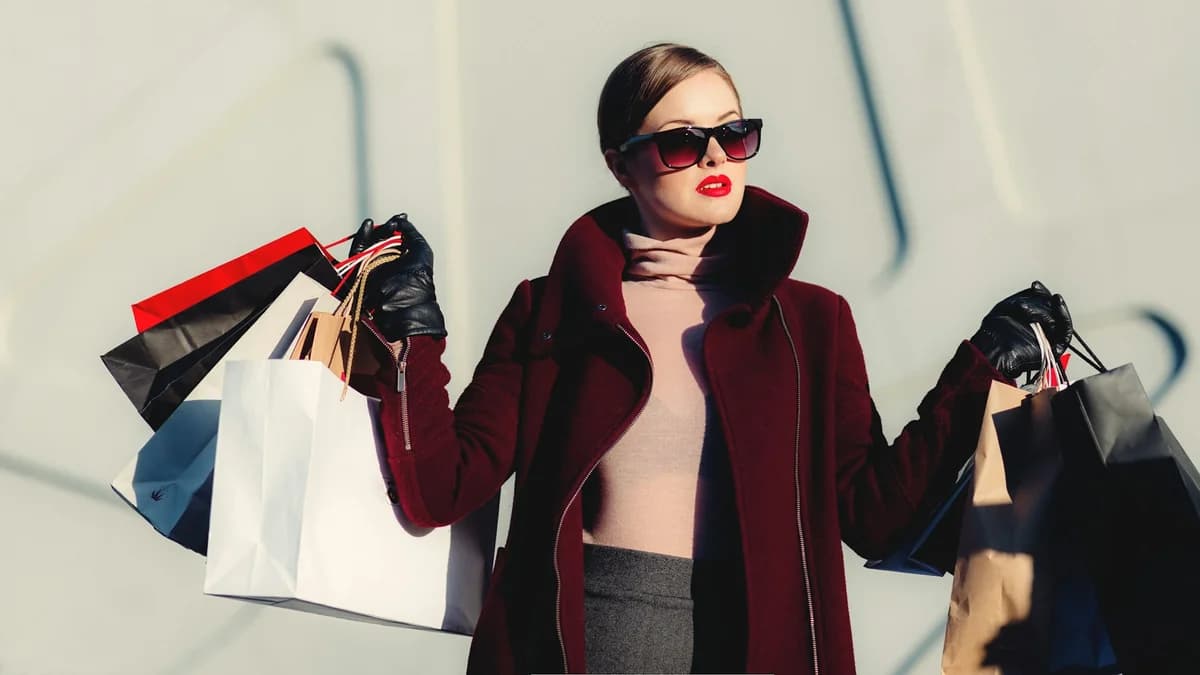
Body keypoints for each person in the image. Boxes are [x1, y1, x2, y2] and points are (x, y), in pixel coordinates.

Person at [349, 43, 1073, 675]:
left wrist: (983, 366)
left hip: (761, 643)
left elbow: (876, 516)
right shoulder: (552, 311)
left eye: (734, 132)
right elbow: (440, 487)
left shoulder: (811, 322)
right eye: (681, 142)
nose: (718, 157)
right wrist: (413, 327)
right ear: (620, 164)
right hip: (588, 643)